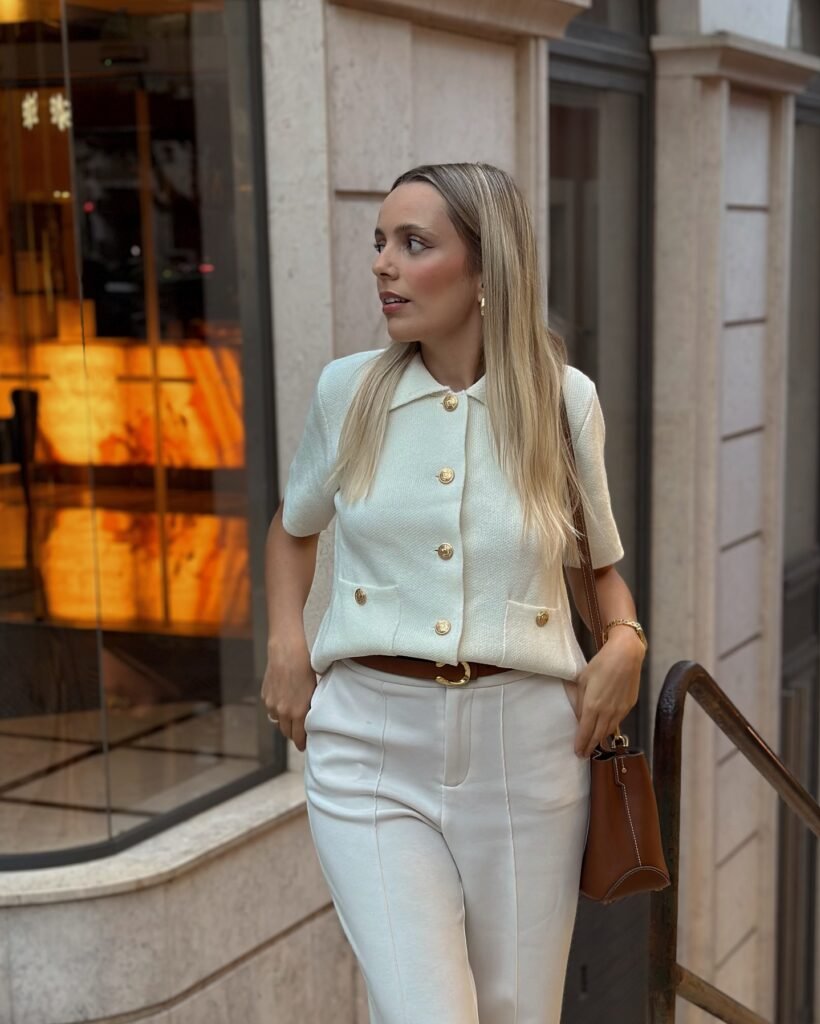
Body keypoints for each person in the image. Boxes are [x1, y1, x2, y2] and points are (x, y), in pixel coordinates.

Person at [261, 162, 646, 1024]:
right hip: (368, 744)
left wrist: (624, 642)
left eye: (414, 243)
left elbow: (596, 567)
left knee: (516, 1012)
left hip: (527, 752)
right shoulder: (349, 391)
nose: (382, 265)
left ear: (485, 270)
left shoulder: (562, 402)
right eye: (379, 243)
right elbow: (292, 528)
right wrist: (288, 644)